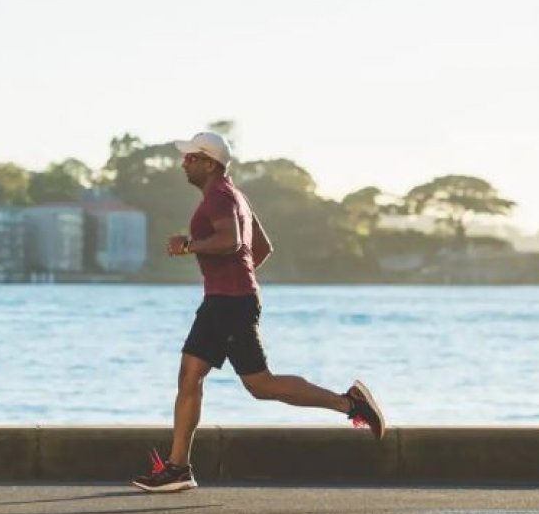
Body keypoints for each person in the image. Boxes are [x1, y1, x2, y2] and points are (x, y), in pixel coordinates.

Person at [132, 131, 385, 492]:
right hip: (230, 300)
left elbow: (232, 241)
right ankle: (179, 468)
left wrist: (189, 246)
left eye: (191, 157)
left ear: (210, 163)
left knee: (250, 383)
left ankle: (350, 404)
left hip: (227, 303)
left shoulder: (219, 197)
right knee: (210, 379)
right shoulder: (234, 195)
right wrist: (238, 278)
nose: (184, 162)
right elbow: (261, 248)